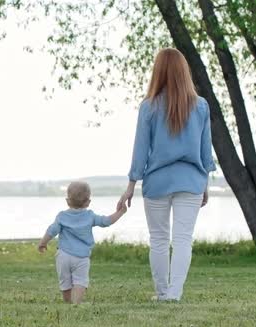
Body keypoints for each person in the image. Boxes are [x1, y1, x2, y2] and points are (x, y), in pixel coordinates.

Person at [117, 48, 216, 302]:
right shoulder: (201, 106)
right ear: (185, 71)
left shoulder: (148, 107)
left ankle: (162, 293)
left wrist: (130, 185)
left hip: (157, 182)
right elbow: (206, 152)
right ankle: (174, 294)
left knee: (159, 239)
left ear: (157, 71)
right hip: (192, 181)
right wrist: (204, 184)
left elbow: (140, 150)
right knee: (183, 240)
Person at [38, 181, 127, 304]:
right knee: (80, 281)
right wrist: (120, 212)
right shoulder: (90, 216)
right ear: (88, 202)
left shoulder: (62, 216)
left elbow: (52, 231)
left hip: (63, 255)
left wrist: (43, 243)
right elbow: (106, 221)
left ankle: (68, 302)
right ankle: (76, 304)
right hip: (81, 257)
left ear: (67, 201)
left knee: (65, 281)